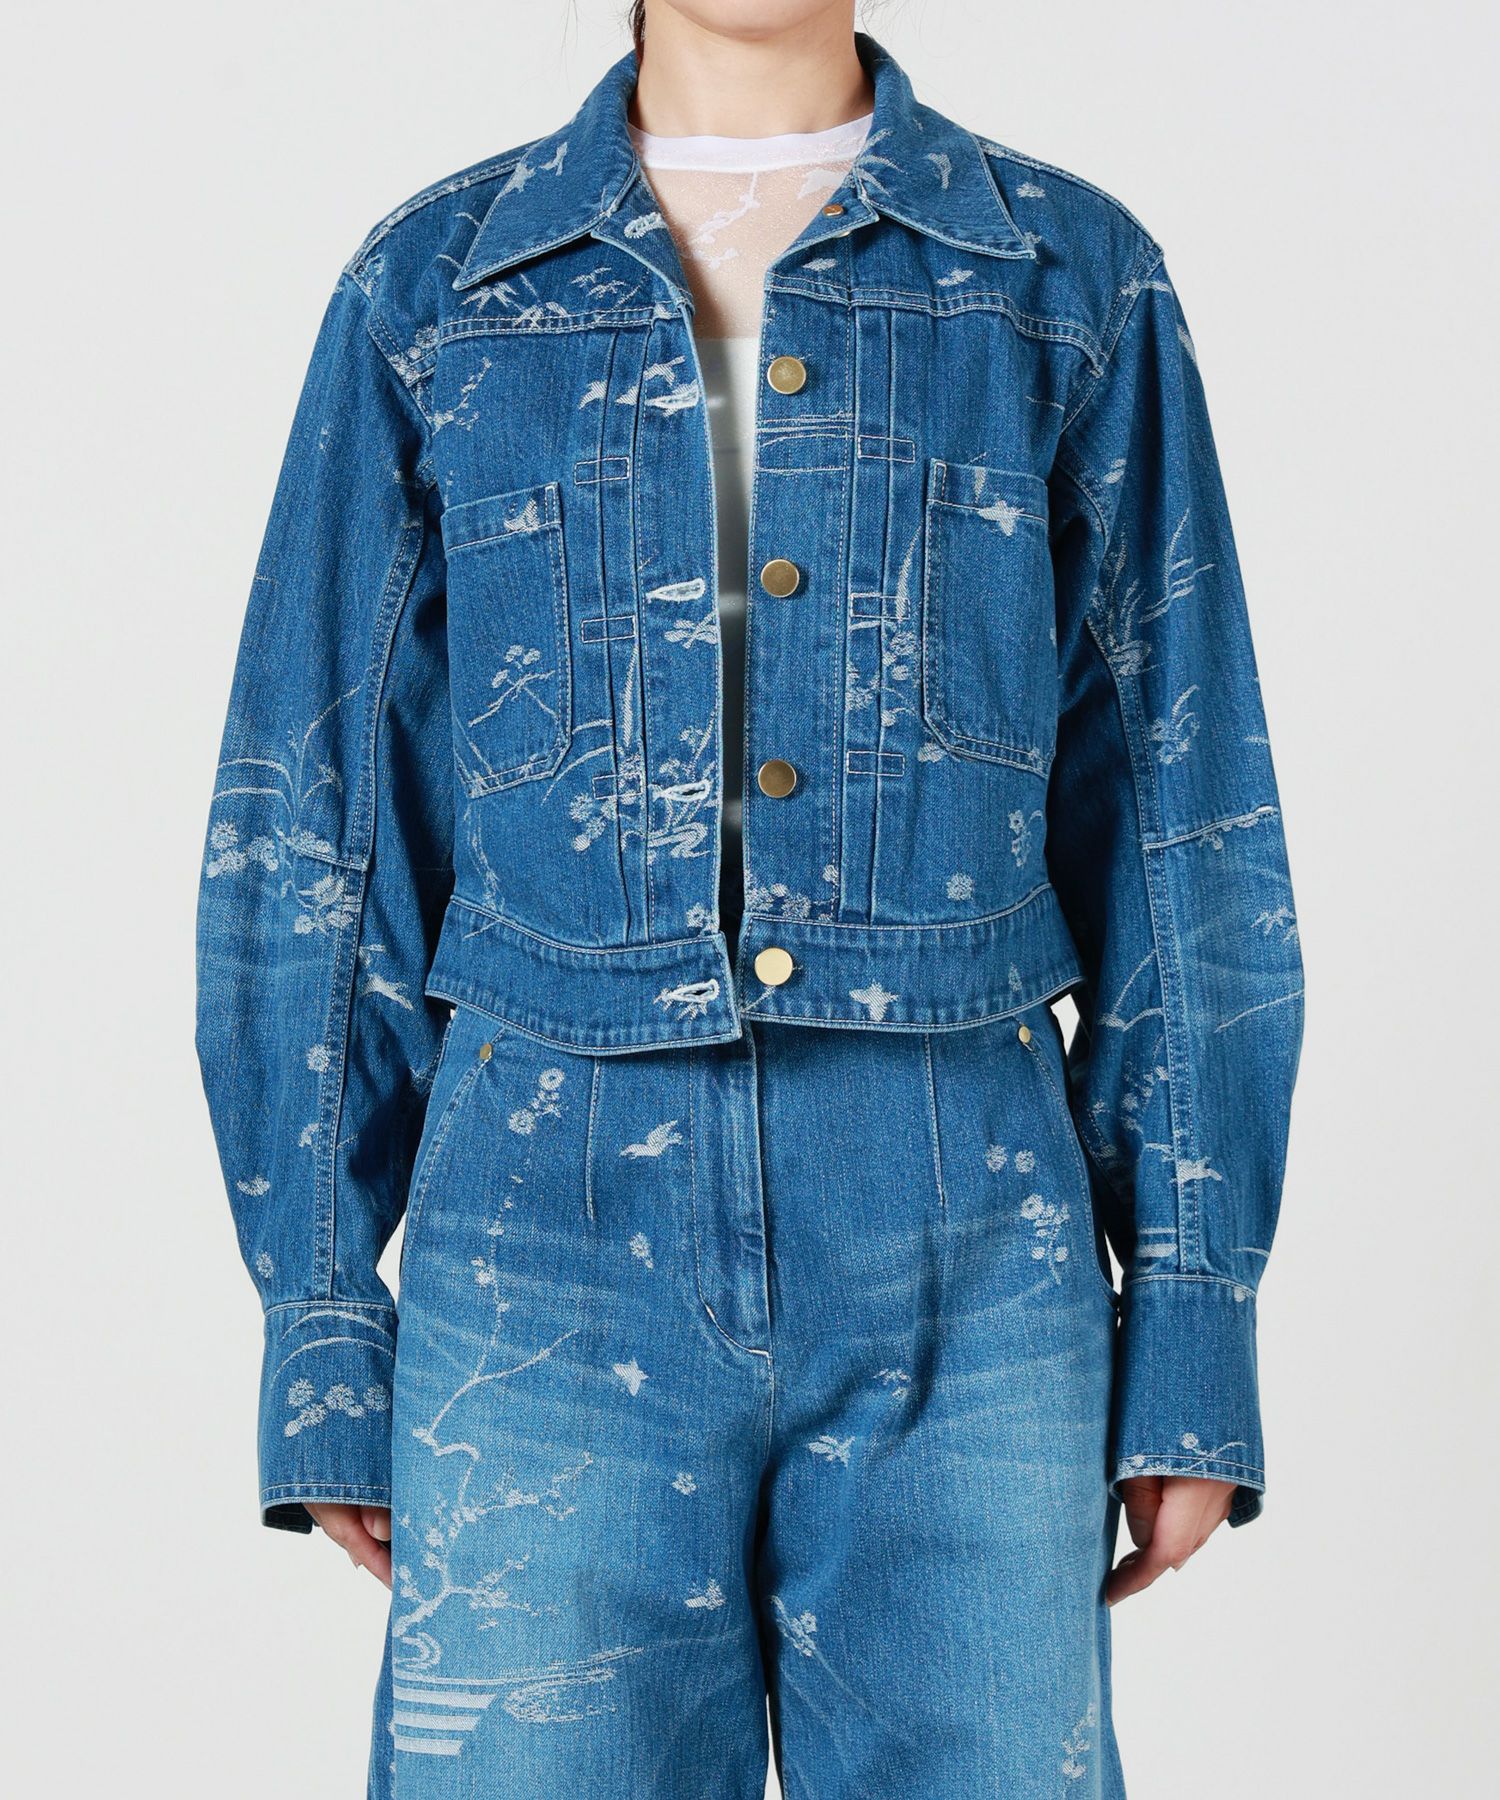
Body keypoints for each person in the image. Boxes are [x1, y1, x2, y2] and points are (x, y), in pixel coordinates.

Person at [195, 2, 1304, 1792]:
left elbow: (1185, 812)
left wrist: (1192, 1313)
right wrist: (321, 1313)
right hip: (539, 1247)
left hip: (970, 1248)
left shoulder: (1062, 278)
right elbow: (314, 818)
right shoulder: (442, 287)